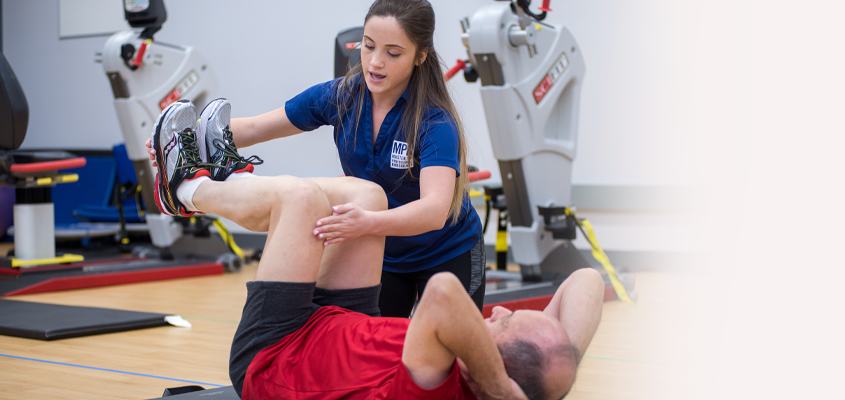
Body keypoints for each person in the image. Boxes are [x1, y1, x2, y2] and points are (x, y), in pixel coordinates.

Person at [150, 99, 604, 400]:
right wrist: (556, 361)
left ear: (487, 370)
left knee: (301, 200)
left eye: (505, 325)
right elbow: (587, 282)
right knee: (367, 196)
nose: (499, 313)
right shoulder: (488, 366)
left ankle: (185, 188)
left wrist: (502, 387)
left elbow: (445, 293)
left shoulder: (441, 384)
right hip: (342, 322)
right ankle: (229, 180)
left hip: (275, 355)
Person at [147, 0, 485, 318]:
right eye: (368, 46)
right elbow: (250, 128)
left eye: (392, 53)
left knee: (450, 367)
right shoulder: (341, 95)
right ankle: (188, 192)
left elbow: (434, 211)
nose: (375, 62)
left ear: (420, 56)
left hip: (447, 251)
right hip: (385, 251)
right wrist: (177, 143)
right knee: (375, 357)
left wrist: (366, 222)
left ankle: (192, 194)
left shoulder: (435, 122)